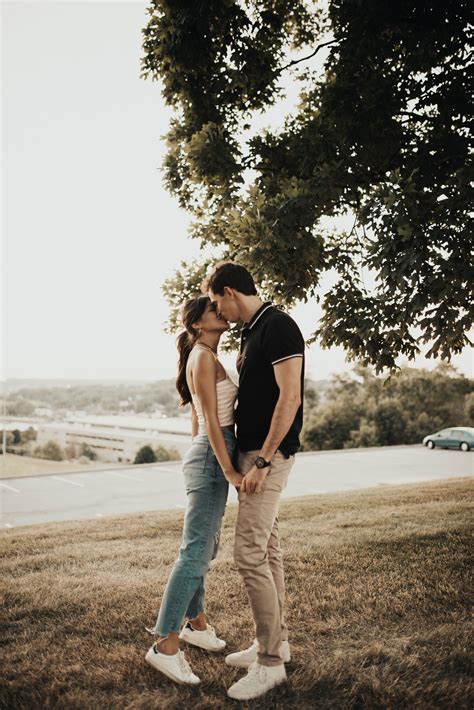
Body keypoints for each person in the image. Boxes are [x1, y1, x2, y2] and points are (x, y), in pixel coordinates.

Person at [204, 262, 305, 701]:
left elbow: (291, 395)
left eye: (215, 301)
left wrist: (263, 460)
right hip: (253, 453)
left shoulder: (279, 326)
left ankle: (270, 664)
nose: (216, 310)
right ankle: (275, 641)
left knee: (247, 553)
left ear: (229, 291)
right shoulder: (253, 330)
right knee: (267, 549)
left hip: (269, 455)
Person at [145, 295, 242, 685]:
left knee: (206, 547)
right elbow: (212, 426)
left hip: (208, 453)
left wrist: (206, 454)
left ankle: (196, 625)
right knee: (195, 553)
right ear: (199, 324)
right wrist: (229, 469)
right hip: (214, 455)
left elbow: (197, 419)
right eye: (213, 310)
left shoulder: (205, 354)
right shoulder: (202, 357)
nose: (221, 311)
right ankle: (165, 647)